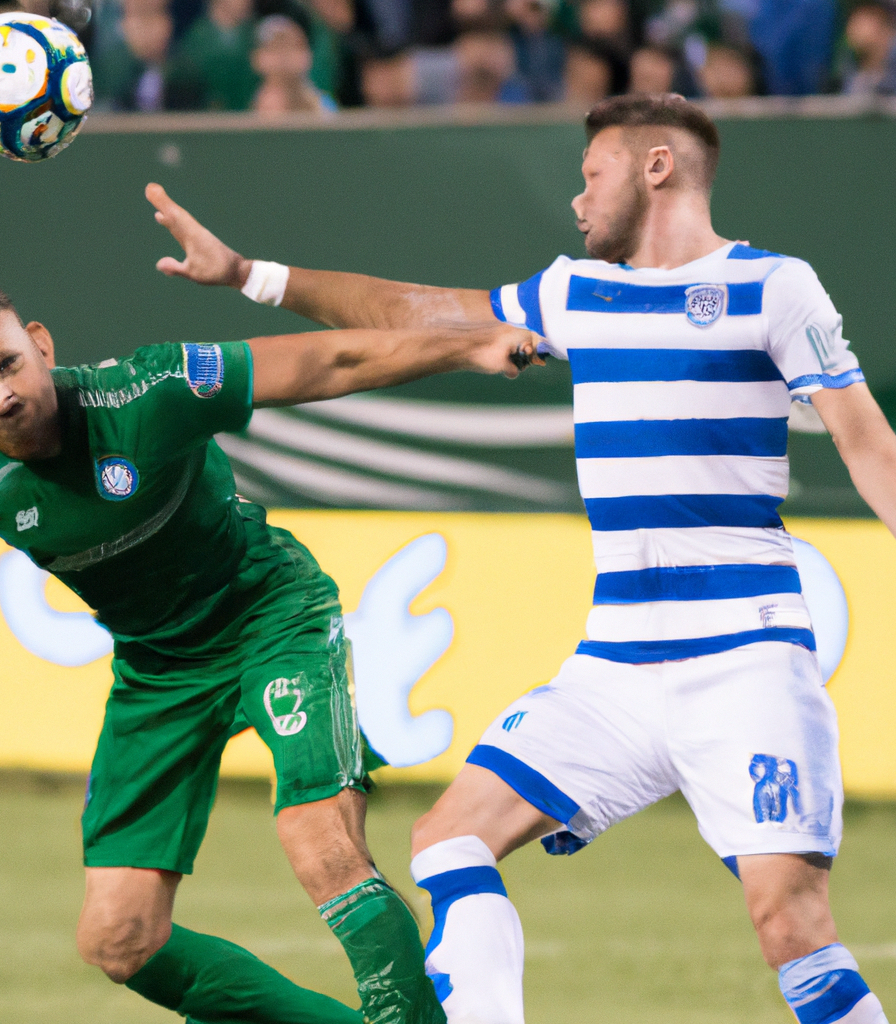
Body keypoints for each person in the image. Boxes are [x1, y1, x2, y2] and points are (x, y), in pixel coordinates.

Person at [162, 92, 893, 1024]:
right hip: (615, 667)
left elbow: (870, 447)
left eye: (593, 176)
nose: (578, 201)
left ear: (657, 167)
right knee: (447, 837)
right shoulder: (571, 295)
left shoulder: (774, 288)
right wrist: (254, 276)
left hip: (745, 657)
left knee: (791, 923)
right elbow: (412, 313)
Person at [0, 184, 543, 1024]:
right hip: (158, 672)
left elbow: (327, 363)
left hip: (270, 615)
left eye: (8, 364)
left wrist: (468, 348)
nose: (1, 396)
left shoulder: (150, 391)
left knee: (319, 842)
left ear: (39, 344)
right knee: (119, 940)